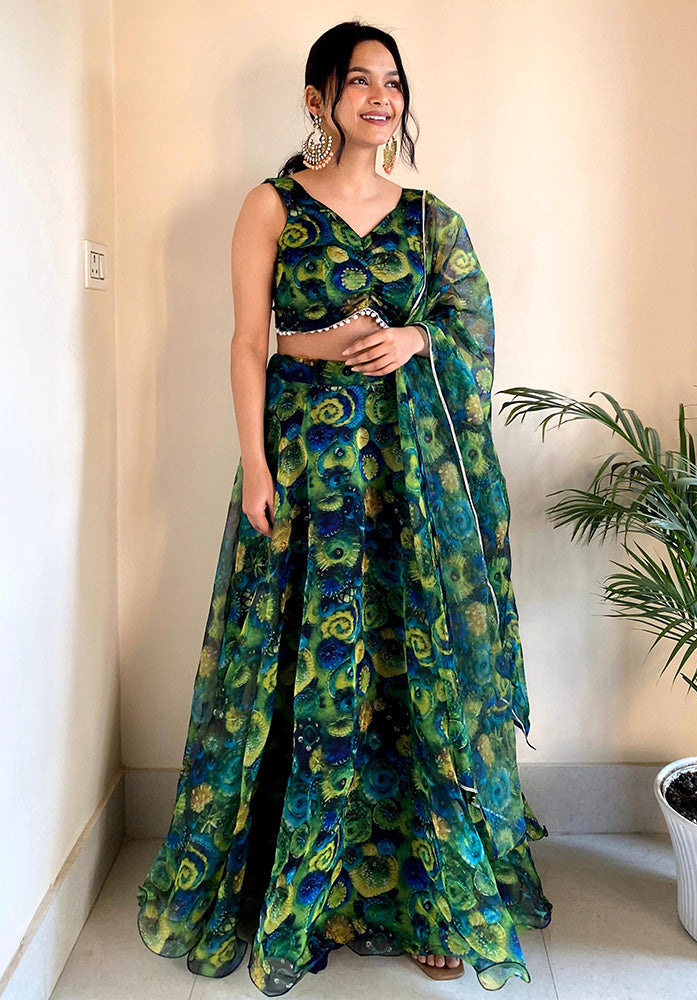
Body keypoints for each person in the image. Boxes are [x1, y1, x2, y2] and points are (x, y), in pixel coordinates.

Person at [136, 18, 552, 997]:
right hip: (302, 470)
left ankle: (426, 901)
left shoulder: (430, 222)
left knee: (408, 677)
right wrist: (253, 465)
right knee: (299, 676)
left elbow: (471, 331)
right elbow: (251, 341)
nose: (380, 97)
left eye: (392, 82)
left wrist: (415, 341)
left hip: (408, 489)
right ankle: (297, 893)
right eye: (360, 81)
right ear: (318, 99)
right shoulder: (272, 206)